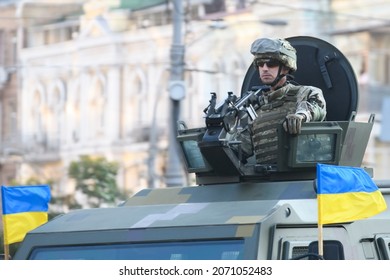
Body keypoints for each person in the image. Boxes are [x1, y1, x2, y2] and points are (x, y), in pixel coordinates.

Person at [235, 37, 327, 164]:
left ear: (286, 67)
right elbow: (241, 151)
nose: (265, 68)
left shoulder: (306, 93)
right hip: (267, 181)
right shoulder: (255, 110)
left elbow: (316, 107)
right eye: (260, 64)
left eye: (271, 64)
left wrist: (300, 116)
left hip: (301, 178)